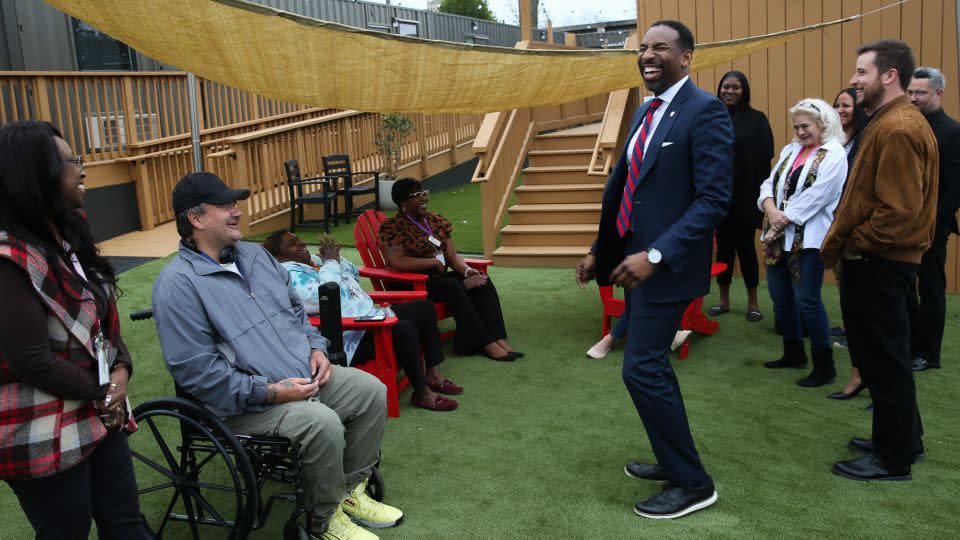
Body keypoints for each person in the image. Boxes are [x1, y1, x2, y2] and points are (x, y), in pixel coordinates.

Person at [152, 172, 403, 540]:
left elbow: (297, 314)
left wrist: (316, 347)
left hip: (301, 376)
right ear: (196, 218)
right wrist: (270, 392)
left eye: (235, 203)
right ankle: (323, 521)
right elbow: (198, 373)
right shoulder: (177, 285)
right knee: (322, 423)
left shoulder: (256, 256)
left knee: (370, 391)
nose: (236, 212)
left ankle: (348, 494)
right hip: (243, 405)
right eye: (224, 206)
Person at [575, 20, 732, 519]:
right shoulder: (647, 111)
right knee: (652, 367)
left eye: (660, 48)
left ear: (686, 57)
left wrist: (657, 254)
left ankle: (693, 483)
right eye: (643, 47)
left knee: (641, 367)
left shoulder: (705, 111)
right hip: (634, 265)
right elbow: (626, 191)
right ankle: (672, 461)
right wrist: (601, 248)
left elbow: (712, 200)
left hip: (665, 267)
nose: (648, 54)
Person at [0, 121, 146, 538]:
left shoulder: (68, 236)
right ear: (35, 175)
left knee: (125, 525)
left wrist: (121, 371)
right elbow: (30, 360)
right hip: (41, 427)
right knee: (66, 532)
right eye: (71, 161)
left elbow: (103, 322)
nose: (82, 169)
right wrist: (104, 390)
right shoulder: (9, 258)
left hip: (100, 412)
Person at [821, 39, 937, 481]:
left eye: (862, 72)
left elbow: (899, 211)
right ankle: (904, 439)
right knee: (881, 358)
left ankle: (893, 459)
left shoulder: (899, 127)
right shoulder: (891, 121)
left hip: (880, 262)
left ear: (889, 76)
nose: (853, 80)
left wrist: (856, 245)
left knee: (885, 359)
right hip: (880, 261)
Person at [264, 230, 461, 411]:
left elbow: (354, 276)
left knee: (424, 307)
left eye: (299, 240)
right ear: (280, 256)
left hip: (370, 318)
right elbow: (329, 298)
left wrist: (335, 259)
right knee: (404, 329)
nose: (301, 244)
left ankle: (433, 374)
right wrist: (331, 264)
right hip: (350, 335)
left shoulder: (315, 262)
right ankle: (422, 393)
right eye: (293, 244)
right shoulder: (289, 275)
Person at [379, 177, 521, 361]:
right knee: (452, 286)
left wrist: (467, 271)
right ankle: (486, 344)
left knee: (481, 280)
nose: (423, 198)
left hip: (438, 280)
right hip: (411, 284)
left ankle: (499, 339)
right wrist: (431, 263)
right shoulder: (393, 226)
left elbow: (452, 256)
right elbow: (396, 261)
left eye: (423, 193)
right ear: (402, 202)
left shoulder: (435, 221)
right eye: (416, 195)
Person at [758, 99, 848, 388]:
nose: (799, 131)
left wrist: (778, 222)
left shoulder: (834, 153)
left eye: (805, 126)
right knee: (780, 296)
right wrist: (771, 211)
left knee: (807, 300)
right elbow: (767, 185)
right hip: (777, 235)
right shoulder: (790, 149)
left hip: (808, 240)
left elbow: (818, 196)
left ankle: (825, 367)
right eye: (796, 126)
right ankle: (793, 353)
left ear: (824, 124)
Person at [905, 67, 960, 372]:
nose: (913, 98)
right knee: (904, 288)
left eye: (920, 93)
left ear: (938, 94)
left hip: (932, 228)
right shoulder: (906, 126)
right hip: (900, 224)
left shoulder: (953, 132)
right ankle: (910, 344)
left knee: (930, 289)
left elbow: (954, 189)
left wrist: (933, 224)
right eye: (910, 92)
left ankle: (928, 354)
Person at [708, 71, 774, 322]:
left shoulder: (757, 119)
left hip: (746, 198)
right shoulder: (712, 117)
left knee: (746, 250)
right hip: (718, 198)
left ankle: (753, 304)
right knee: (723, 251)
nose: (730, 91)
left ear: (744, 90)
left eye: (736, 87)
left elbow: (766, 154)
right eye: (726, 87)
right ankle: (723, 301)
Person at [827, 87, 869, 400]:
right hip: (837, 224)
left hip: (857, 229)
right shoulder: (833, 139)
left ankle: (863, 369)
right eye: (837, 105)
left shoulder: (865, 138)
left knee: (862, 298)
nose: (841, 109)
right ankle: (850, 334)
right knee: (844, 283)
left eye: (846, 105)